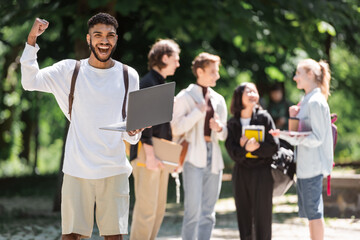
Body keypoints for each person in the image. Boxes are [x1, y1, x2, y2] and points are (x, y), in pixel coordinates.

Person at [20, 13, 143, 240]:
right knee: (71, 237)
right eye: (98, 35)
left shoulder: (129, 76)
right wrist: (32, 40)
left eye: (110, 36)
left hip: (114, 170)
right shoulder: (70, 70)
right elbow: (30, 82)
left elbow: (131, 135)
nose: (104, 41)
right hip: (77, 170)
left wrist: (135, 132)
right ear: (88, 39)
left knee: (114, 237)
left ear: (116, 39)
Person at [270, 59, 333, 240]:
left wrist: (287, 135)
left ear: (310, 75)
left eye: (298, 73)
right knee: (311, 213)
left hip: (313, 166)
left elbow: (318, 138)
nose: (295, 77)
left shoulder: (316, 102)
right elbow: (300, 134)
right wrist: (290, 122)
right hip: (305, 167)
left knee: (314, 213)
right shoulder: (306, 100)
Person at [171, 52, 228, 240]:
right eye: (213, 72)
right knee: (192, 212)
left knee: (209, 213)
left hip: (214, 157)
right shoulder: (184, 97)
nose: (217, 76)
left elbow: (224, 134)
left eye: (217, 72)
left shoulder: (218, 99)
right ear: (200, 71)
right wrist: (197, 112)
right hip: (192, 156)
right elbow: (176, 128)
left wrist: (219, 128)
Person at [129, 39, 180, 240]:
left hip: (159, 153)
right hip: (146, 153)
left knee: (158, 210)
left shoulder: (160, 83)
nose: (178, 64)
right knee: (146, 210)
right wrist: (150, 155)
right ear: (164, 57)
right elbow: (143, 124)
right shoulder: (148, 82)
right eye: (176, 59)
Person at [225, 82, 279, 240]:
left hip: (262, 172)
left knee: (263, 216)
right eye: (247, 91)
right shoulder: (233, 122)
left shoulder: (264, 117)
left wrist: (254, 148)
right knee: (244, 216)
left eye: (254, 91)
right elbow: (232, 152)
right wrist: (245, 150)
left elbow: (273, 146)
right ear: (238, 96)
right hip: (241, 173)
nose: (252, 94)